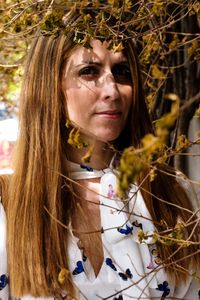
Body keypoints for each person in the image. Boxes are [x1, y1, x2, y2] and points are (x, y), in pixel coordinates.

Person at [0, 7, 199, 300]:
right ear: (50, 86)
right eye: (89, 71)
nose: (112, 91)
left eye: (121, 72)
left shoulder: (171, 192)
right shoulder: (10, 204)